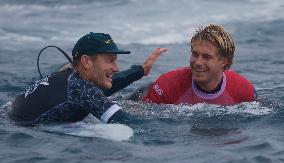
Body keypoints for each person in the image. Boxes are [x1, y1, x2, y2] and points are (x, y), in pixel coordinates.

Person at [9, 32, 168, 124]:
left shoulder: (65, 77)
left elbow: (105, 85)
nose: (116, 68)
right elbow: (128, 124)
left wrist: (140, 70)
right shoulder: (81, 90)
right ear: (86, 61)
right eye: (109, 60)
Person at [142, 24, 256, 105]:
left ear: (224, 61)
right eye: (195, 54)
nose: (198, 62)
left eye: (206, 57)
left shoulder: (243, 90)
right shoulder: (167, 85)